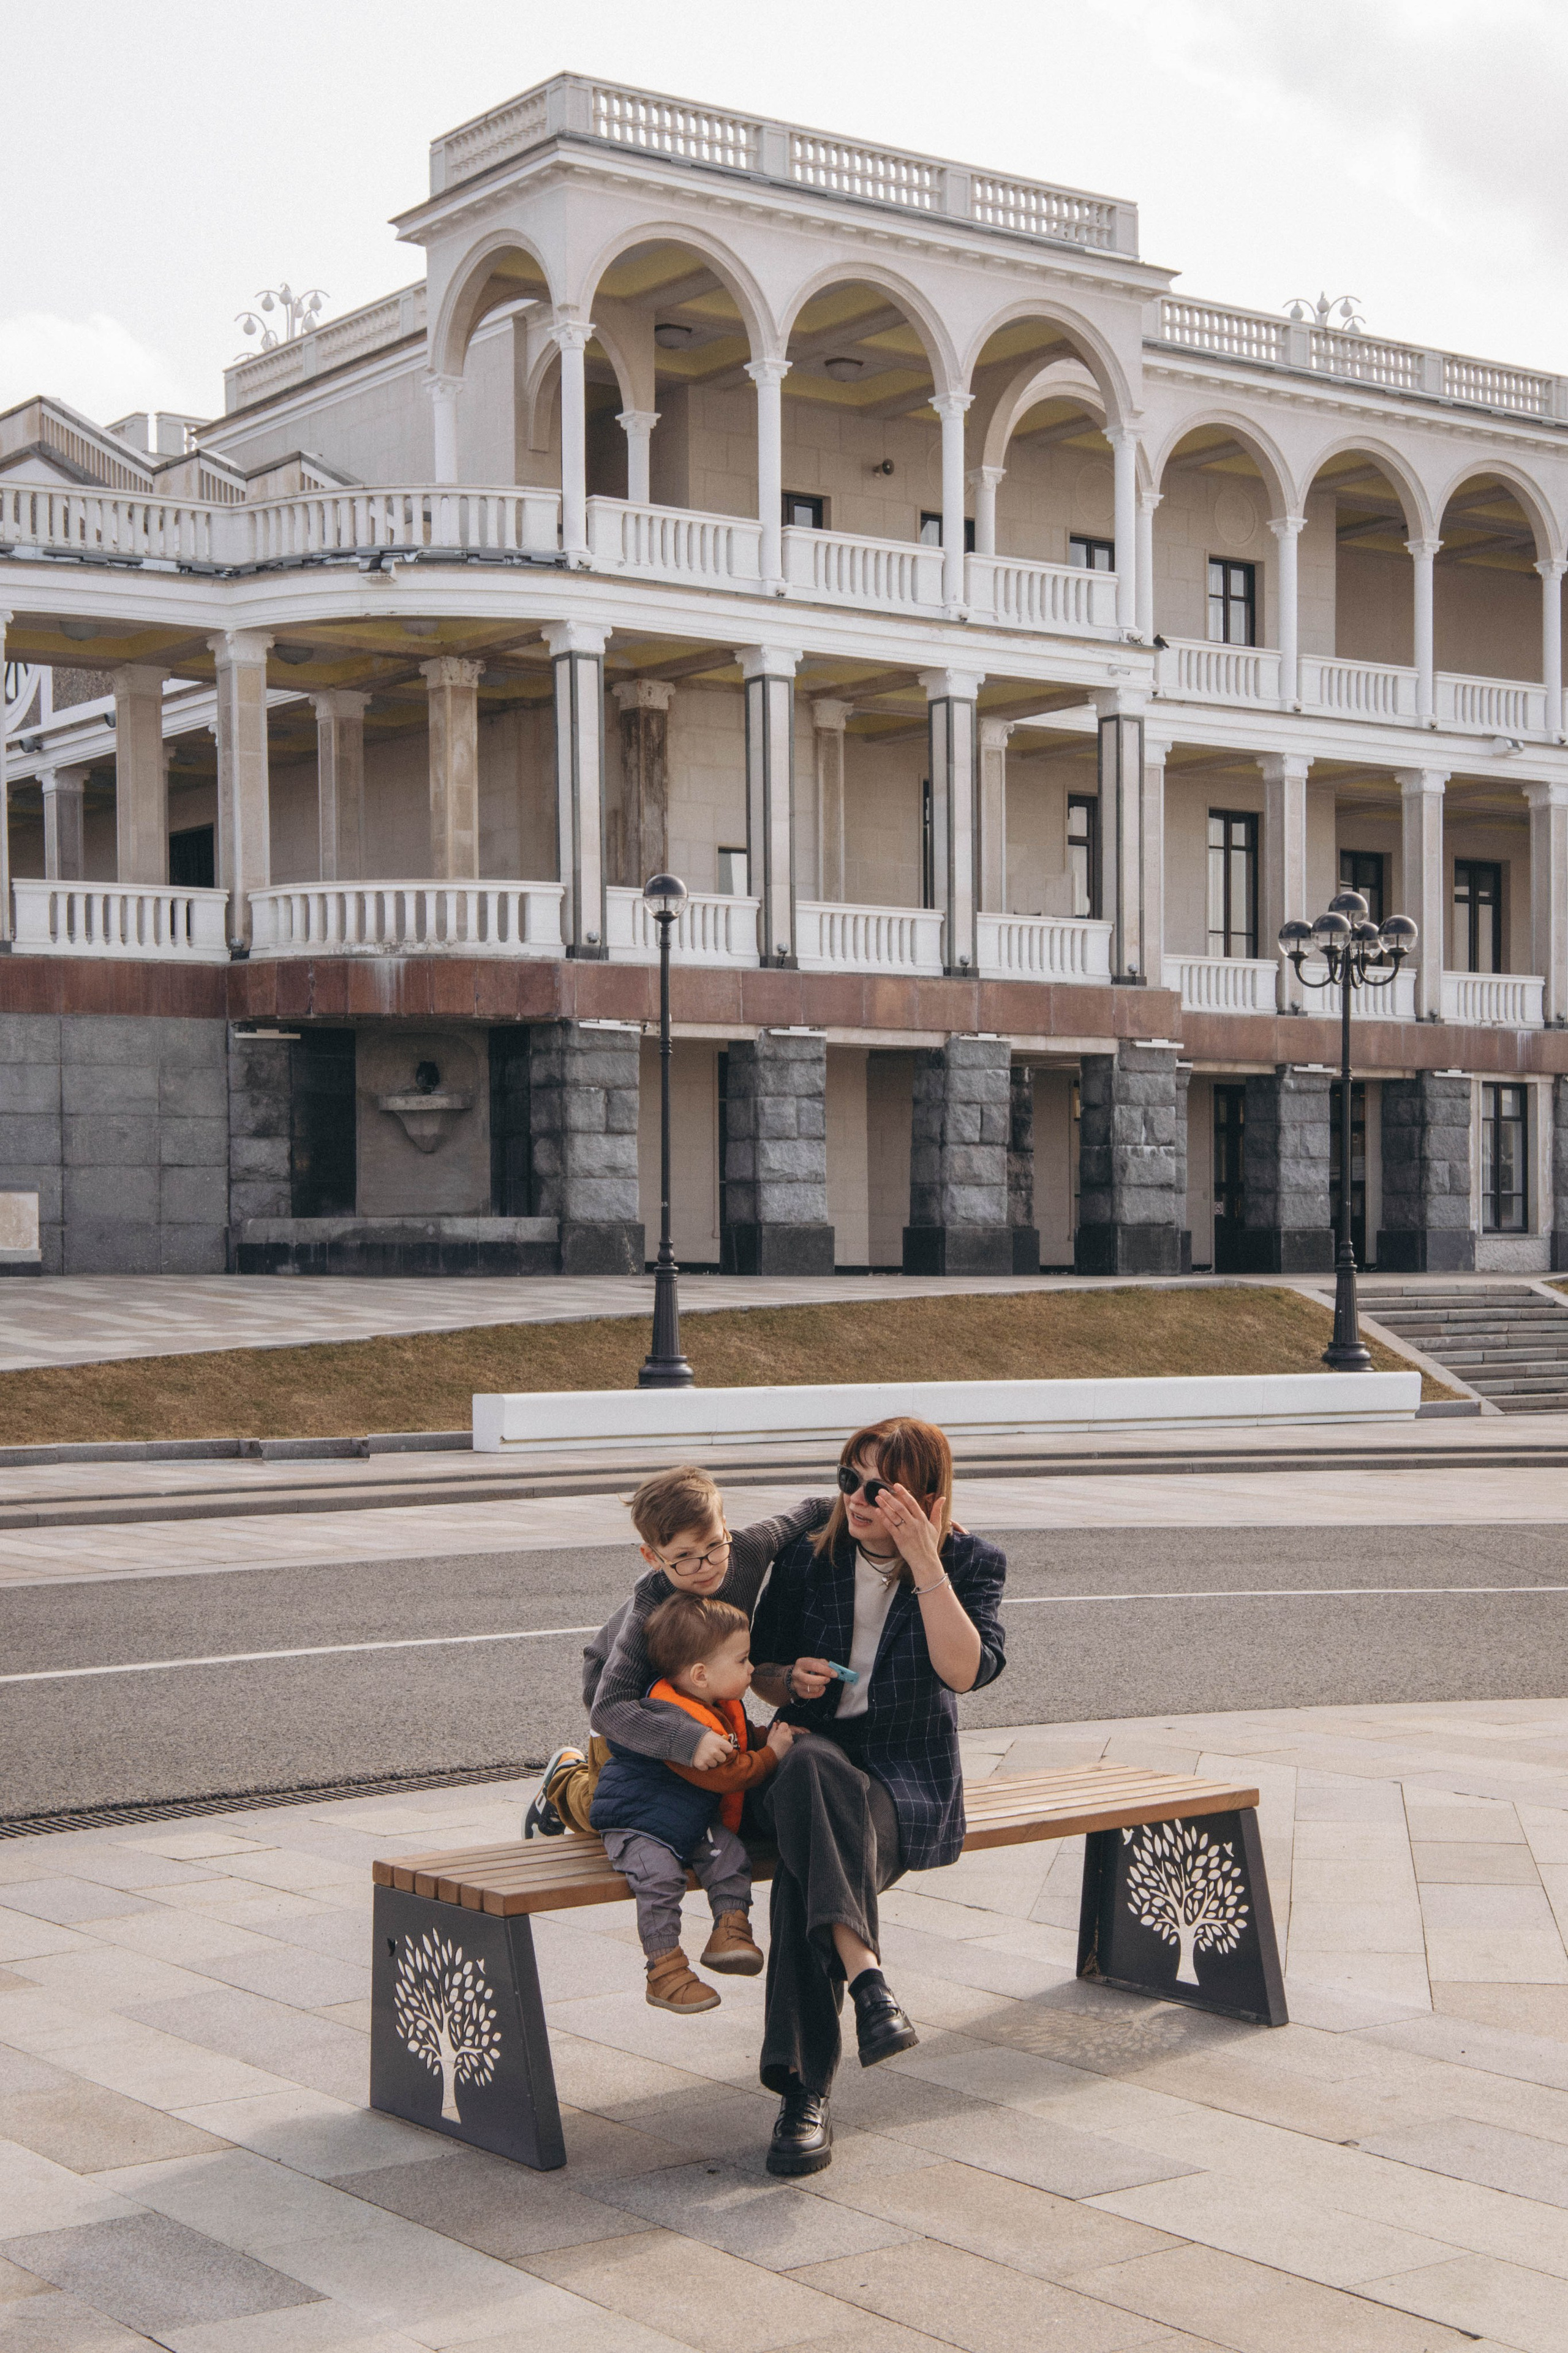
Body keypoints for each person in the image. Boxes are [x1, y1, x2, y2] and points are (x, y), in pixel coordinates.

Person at [745, 1416, 1006, 2177]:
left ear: (924, 1497)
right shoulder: (807, 1559)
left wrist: (927, 1562)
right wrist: (788, 1679)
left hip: (902, 1779)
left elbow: (965, 1672)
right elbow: (758, 1667)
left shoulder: (972, 1563)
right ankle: (868, 1985)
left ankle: (803, 2096)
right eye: (847, 1478)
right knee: (811, 1777)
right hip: (807, 1756)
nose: (855, 1498)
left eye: (876, 1486)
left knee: (807, 1868)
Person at [524, 1465, 826, 1840]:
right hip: (626, 1691)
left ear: (726, 1527)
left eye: (714, 1545)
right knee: (627, 1807)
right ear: (652, 1558)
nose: (706, 1566)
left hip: (695, 1686)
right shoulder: (650, 1604)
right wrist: (686, 1740)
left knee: (692, 1795)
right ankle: (564, 1778)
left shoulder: (748, 1546)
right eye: (684, 1556)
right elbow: (609, 1707)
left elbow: (813, 1509)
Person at [589, 1593, 797, 2012]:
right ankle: (664, 1969)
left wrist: (768, 1737)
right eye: (742, 1660)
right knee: (660, 1880)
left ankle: (730, 1930)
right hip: (640, 1822)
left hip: (687, 1817)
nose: (752, 1668)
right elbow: (727, 1772)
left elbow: (736, 1738)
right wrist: (772, 1754)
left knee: (730, 1855)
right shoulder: (669, 1715)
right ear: (701, 1674)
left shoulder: (711, 1704)